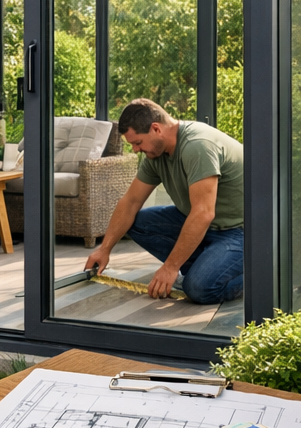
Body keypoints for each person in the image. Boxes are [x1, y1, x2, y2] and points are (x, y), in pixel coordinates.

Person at [84, 98, 243, 303]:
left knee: (199, 288)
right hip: (207, 227)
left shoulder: (197, 146)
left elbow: (203, 213)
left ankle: (260, 271)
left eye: (137, 142)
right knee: (138, 223)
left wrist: (170, 267)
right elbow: (130, 201)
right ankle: (208, 264)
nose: (135, 150)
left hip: (241, 231)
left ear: (156, 129)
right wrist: (104, 249)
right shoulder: (155, 154)